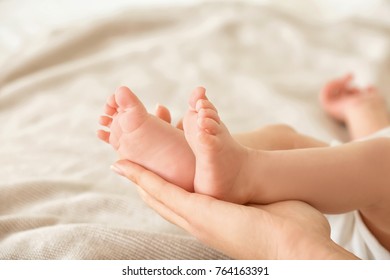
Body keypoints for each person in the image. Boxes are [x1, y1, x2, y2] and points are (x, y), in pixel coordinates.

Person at [97, 73, 390, 259]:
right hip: (348, 198)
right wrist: (362, 108)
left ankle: (242, 172)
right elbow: (374, 145)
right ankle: (195, 163)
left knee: (382, 164)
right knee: (283, 137)